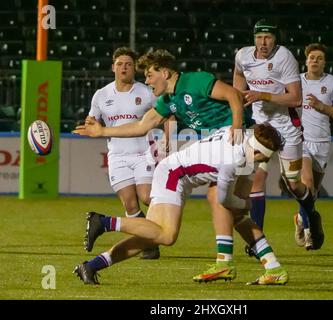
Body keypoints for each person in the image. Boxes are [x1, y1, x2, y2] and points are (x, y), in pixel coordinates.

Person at [73, 49, 284, 282]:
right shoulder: (168, 100)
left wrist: (235, 127)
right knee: (171, 229)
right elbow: (142, 126)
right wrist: (103, 131)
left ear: (165, 72)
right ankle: (245, 264)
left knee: (169, 229)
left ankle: (254, 266)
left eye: (150, 75)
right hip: (217, 155)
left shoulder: (195, 80)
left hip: (234, 143)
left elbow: (234, 95)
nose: (147, 81)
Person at [73, 124, 288, 286]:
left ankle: (91, 266)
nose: (261, 164)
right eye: (262, 159)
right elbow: (224, 200)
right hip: (174, 175)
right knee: (166, 236)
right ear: (258, 152)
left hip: (179, 173)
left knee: (151, 237)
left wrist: (243, 204)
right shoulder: (232, 161)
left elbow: (240, 191)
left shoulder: (242, 135)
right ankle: (103, 221)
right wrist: (246, 202)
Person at [233, 19, 324, 250]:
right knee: (255, 179)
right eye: (259, 38)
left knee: (293, 184)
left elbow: (295, 98)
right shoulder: (243, 56)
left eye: (268, 38)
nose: (263, 43)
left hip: (286, 126)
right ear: (253, 38)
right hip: (261, 128)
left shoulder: (284, 57)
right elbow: (238, 83)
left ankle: (311, 216)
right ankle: (257, 239)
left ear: (275, 40)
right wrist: (237, 105)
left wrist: (262, 95)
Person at [87, 47, 160, 259]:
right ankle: (149, 243)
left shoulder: (146, 92)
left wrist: (167, 143)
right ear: (113, 67)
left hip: (144, 153)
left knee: (147, 196)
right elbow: (92, 121)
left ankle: (155, 234)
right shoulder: (101, 95)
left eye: (128, 64)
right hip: (117, 156)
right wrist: (88, 126)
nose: (124, 68)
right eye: (120, 64)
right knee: (130, 204)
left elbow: (167, 115)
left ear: (134, 68)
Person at [294, 43, 333, 247]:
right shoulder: (296, 81)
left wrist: (321, 106)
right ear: (306, 61)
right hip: (302, 140)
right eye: (311, 57)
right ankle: (309, 233)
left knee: (312, 193)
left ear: (324, 62)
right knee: (306, 184)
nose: (315, 61)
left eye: (319, 58)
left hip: (322, 142)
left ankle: (300, 219)